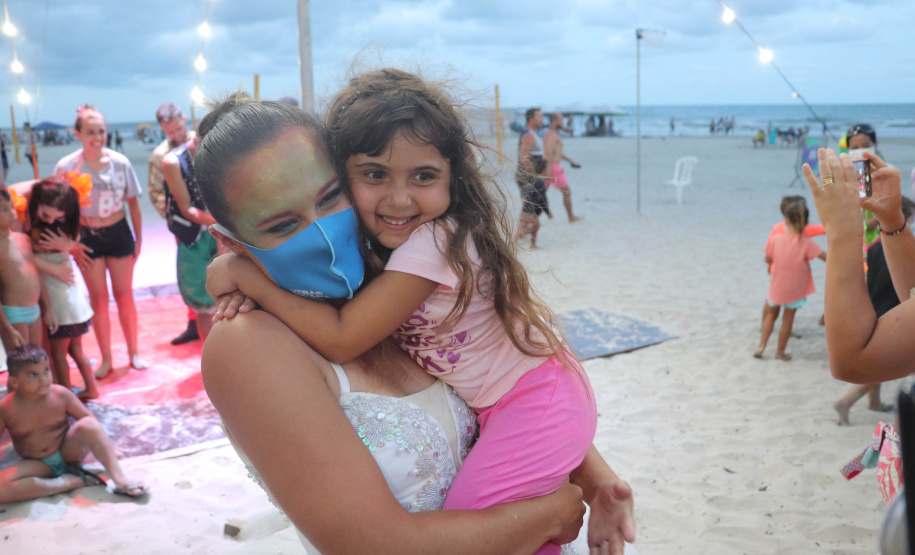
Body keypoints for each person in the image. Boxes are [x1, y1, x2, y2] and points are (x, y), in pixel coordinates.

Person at [196, 94, 635, 554]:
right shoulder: (250, 344)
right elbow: (372, 545)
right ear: (232, 243)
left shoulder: (388, 275)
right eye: (283, 225)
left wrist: (597, 478)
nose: (323, 230)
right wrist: (549, 516)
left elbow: (512, 383)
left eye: (330, 197)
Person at [53, 105, 147, 377]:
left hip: (118, 232)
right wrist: (70, 242)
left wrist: (138, 239)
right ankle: (107, 358)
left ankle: (133, 352)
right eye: (90, 132)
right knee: (99, 299)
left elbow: (133, 205)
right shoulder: (66, 167)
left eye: (101, 132)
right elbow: (59, 212)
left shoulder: (120, 163)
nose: (97, 137)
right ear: (78, 133)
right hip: (85, 236)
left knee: (125, 295)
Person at [0, 345, 147, 502]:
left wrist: (110, 448)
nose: (43, 378)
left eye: (46, 370)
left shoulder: (61, 394)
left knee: (88, 423)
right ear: (14, 382)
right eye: (33, 375)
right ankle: (68, 483)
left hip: (68, 452)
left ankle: (119, 478)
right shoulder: (6, 408)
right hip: (36, 463)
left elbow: (90, 422)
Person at [833, 195, 915, 425]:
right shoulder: (901, 248)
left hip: (874, 302)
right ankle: (846, 401)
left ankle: (875, 403)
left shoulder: (875, 245)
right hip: (892, 306)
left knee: (878, 355)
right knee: (883, 364)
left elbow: (867, 275)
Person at [26, 178, 98, 399]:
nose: (49, 220)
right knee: (77, 351)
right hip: (76, 307)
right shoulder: (67, 230)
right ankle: (91, 388)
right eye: (46, 215)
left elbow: (25, 255)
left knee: (59, 355)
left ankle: (65, 397)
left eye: (56, 216)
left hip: (61, 308)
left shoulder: (39, 234)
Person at [149, 102, 200, 345]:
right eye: (170, 132)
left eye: (178, 129)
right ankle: (194, 320)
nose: (176, 135)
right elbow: (155, 192)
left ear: (184, 120)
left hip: (210, 217)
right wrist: (174, 217)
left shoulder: (199, 142)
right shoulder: (161, 156)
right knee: (190, 272)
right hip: (185, 223)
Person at [161, 132, 217, 342]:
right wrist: (221, 223)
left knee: (232, 296)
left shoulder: (224, 152)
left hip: (222, 232)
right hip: (194, 236)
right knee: (203, 304)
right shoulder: (173, 160)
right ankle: (212, 359)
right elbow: (186, 209)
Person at [754, 199, 827, 360]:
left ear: (786, 221)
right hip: (795, 290)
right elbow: (825, 258)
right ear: (806, 223)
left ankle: (761, 346)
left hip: (777, 286)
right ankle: (780, 352)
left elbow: (767, 259)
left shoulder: (776, 239)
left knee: (770, 316)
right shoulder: (807, 243)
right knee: (787, 320)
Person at [0, 188, 57, 350]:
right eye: (3, 210)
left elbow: (36, 276)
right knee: (21, 364)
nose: (11, 213)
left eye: (11, 207)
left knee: (37, 357)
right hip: (14, 314)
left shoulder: (23, 239)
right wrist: (6, 327)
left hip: (34, 310)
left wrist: (48, 308)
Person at [515, 107, 551, 249]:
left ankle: (529, 243)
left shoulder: (534, 135)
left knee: (531, 212)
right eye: (539, 116)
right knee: (529, 214)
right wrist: (536, 175)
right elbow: (523, 158)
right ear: (531, 119)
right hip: (527, 179)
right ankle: (515, 240)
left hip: (533, 180)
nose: (542, 119)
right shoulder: (528, 135)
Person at [544, 113, 582, 223]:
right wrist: (548, 168)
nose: (563, 122)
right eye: (561, 120)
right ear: (554, 121)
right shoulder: (551, 135)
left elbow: (558, 153)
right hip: (553, 167)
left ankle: (547, 213)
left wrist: (570, 161)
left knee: (541, 192)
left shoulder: (551, 134)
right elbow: (548, 153)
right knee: (567, 192)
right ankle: (571, 217)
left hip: (551, 166)